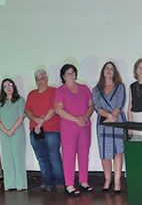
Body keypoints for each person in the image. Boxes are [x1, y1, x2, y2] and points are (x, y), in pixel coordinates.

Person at [54, 64, 94, 196]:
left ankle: (83, 181)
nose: (71, 75)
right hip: (68, 127)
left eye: (72, 73)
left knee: (84, 153)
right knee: (69, 155)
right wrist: (76, 119)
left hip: (84, 125)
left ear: (76, 74)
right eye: (68, 73)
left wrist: (85, 117)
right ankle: (69, 184)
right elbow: (58, 109)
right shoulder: (60, 91)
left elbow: (91, 106)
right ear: (63, 76)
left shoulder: (84, 88)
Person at [24, 69, 64, 191]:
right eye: (37, 79)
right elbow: (27, 111)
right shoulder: (31, 94)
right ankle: (46, 182)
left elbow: (54, 109)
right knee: (41, 157)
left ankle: (59, 182)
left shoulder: (54, 91)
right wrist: (36, 120)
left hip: (52, 130)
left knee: (54, 156)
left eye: (42, 79)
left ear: (47, 79)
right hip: (36, 131)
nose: (40, 81)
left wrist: (41, 122)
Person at [92, 61, 126, 193]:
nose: (109, 70)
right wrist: (108, 116)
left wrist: (112, 117)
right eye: (107, 68)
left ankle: (117, 182)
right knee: (105, 153)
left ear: (114, 72)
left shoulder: (120, 87)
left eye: (111, 69)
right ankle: (107, 180)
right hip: (103, 122)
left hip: (118, 121)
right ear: (103, 71)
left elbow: (119, 104)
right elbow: (97, 106)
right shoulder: (96, 90)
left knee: (118, 151)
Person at [0, 78, 27, 191]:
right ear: (3, 89)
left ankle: (20, 184)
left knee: (18, 157)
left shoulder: (20, 100)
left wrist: (12, 130)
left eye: (10, 85)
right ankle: (9, 184)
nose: (8, 88)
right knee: (7, 158)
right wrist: (6, 131)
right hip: (4, 134)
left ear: (13, 86)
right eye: (5, 86)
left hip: (17, 133)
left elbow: (21, 117)